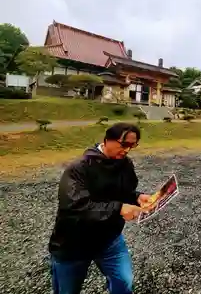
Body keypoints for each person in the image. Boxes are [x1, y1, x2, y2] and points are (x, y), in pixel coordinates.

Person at [49, 123, 153, 294]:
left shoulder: (125, 164)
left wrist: (137, 197)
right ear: (107, 140)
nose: (127, 150)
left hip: (109, 240)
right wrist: (119, 208)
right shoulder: (79, 168)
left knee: (125, 282)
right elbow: (75, 206)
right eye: (123, 145)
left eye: (132, 146)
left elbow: (124, 191)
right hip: (73, 243)